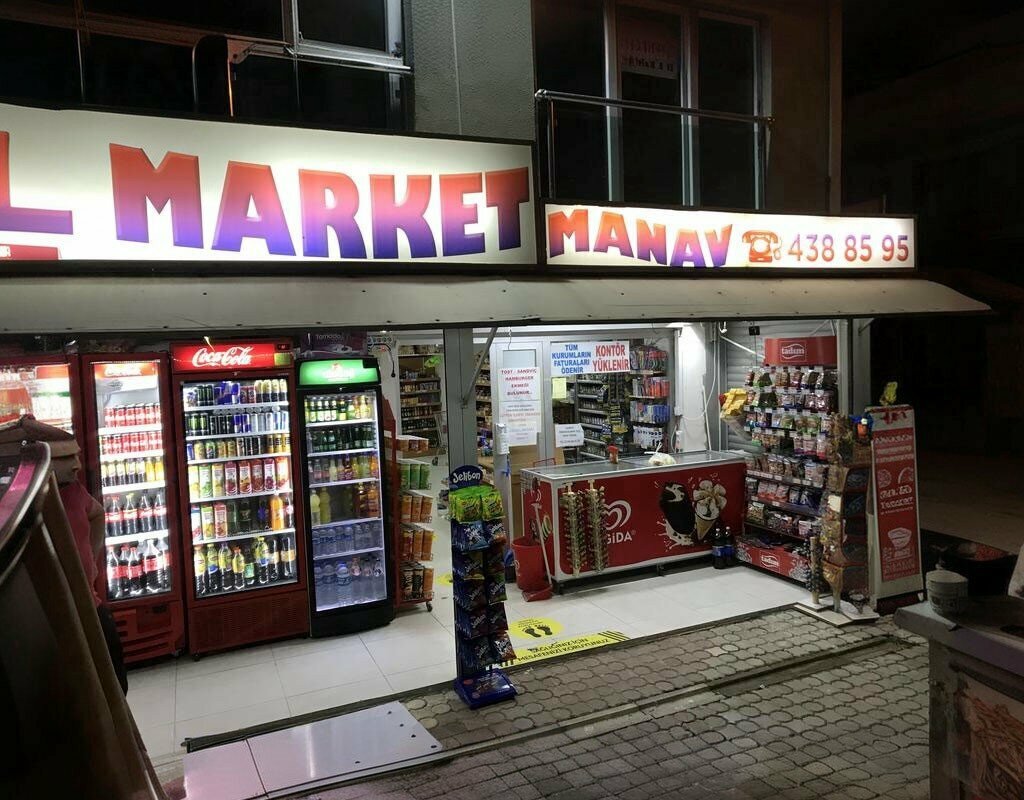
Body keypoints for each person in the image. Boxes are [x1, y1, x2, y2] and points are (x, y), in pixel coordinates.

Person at [0, 415, 128, 693]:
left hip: (89, 608)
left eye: (77, 456)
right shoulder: (16, 505)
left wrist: (91, 564)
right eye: (66, 458)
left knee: (114, 688)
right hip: (47, 625)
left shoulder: (72, 490)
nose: (77, 465)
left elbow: (96, 514)